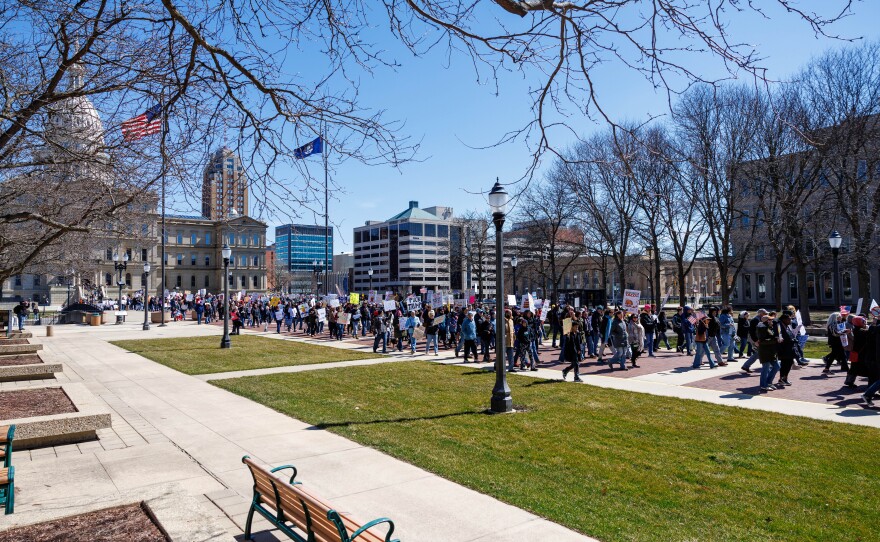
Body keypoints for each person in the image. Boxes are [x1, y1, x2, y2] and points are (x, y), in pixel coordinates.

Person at [756, 313, 781, 391]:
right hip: (765, 352)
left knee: (777, 366)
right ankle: (763, 385)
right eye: (770, 319)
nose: (772, 321)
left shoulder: (770, 327)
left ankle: (769, 382)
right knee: (765, 368)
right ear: (767, 321)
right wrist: (775, 340)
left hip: (771, 351)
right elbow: (762, 341)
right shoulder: (762, 328)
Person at [776, 311, 798, 387]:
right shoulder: (779, 326)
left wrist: (793, 339)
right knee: (785, 364)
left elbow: (790, 334)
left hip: (789, 348)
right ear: (784, 320)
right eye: (788, 319)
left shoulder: (787, 326)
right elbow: (780, 337)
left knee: (788, 363)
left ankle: (784, 378)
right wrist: (789, 340)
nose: (790, 321)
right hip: (784, 349)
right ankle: (782, 378)